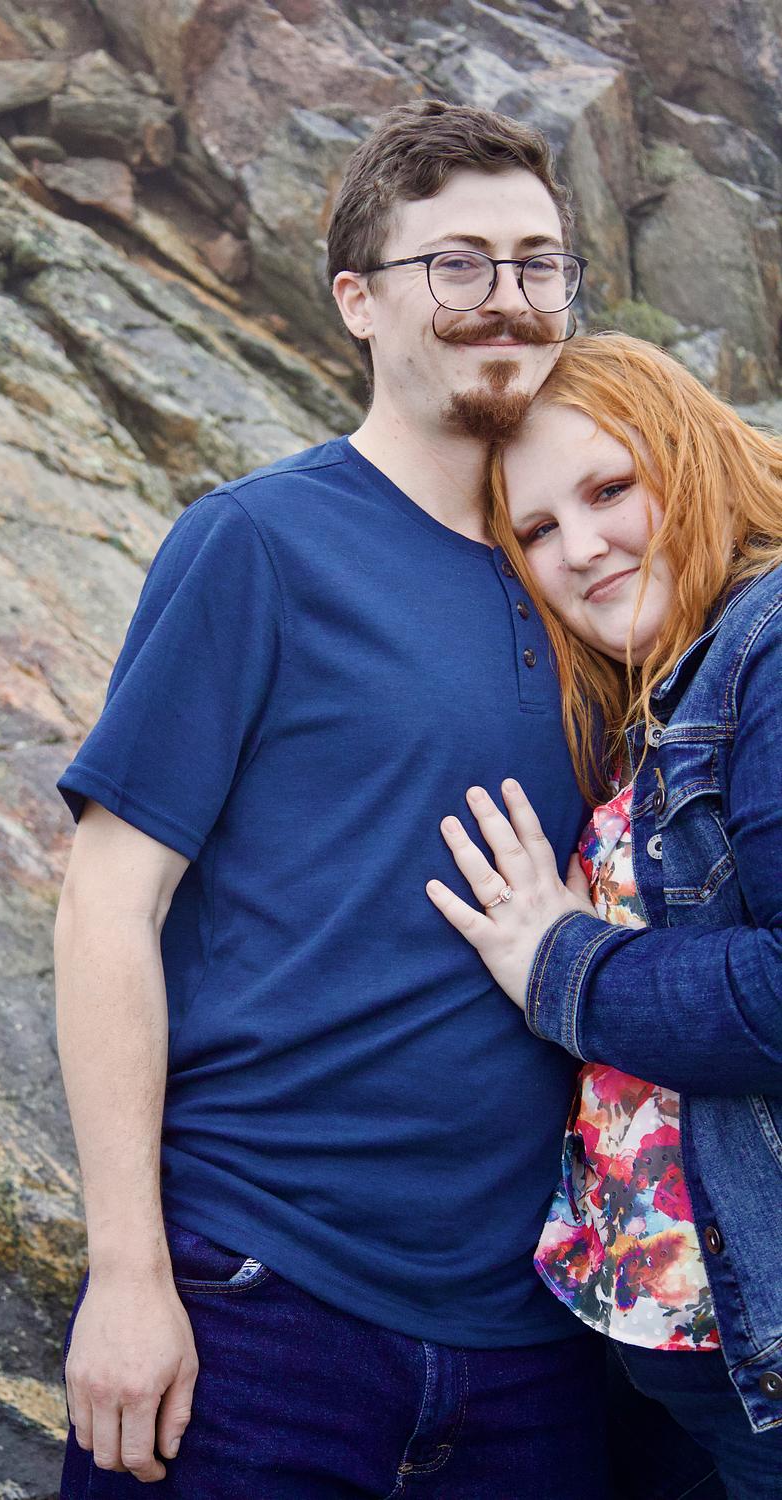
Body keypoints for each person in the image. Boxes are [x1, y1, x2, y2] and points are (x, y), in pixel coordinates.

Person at [53, 98, 607, 1499]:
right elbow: (108, 906)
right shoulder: (258, 544)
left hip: (546, 1340)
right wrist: (127, 1275)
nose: (507, 298)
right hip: (259, 1306)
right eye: (457, 263)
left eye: (538, 262)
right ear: (360, 302)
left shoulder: (596, 574)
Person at [426, 332, 782, 1499]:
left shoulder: (769, 642)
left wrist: (559, 963)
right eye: (535, 529)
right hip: (661, 1347)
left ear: (689, 457)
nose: (578, 549)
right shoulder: (669, 683)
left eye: (610, 490)